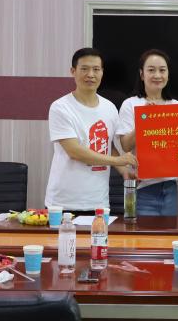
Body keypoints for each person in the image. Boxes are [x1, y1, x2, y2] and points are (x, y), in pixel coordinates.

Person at [45, 48, 137, 216]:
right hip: (64, 203)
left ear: (102, 72)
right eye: (84, 69)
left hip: (99, 202)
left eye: (96, 69)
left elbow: (109, 146)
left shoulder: (110, 108)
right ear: (73, 71)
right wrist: (118, 161)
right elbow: (74, 151)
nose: (91, 74)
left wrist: (125, 171)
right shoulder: (60, 107)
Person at [116, 49, 178, 216]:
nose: (157, 75)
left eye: (162, 70)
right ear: (142, 74)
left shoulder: (175, 105)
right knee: (143, 232)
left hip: (170, 187)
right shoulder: (130, 104)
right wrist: (143, 121)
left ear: (168, 75)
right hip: (142, 187)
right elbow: (125, 145)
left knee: (170, 232)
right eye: (151, 70)